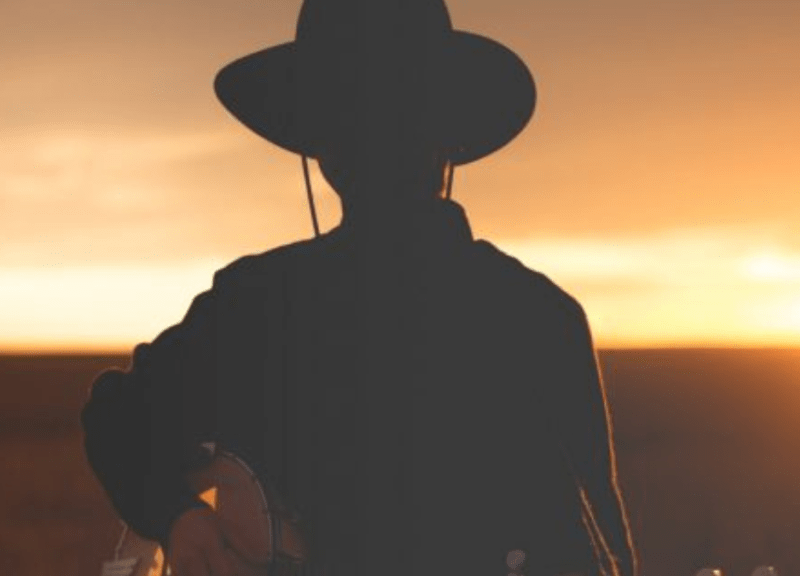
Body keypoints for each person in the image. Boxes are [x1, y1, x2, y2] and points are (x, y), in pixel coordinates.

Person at [81, 1, 638, 575]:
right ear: (447, 139)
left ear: (321, 153)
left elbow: (118, 418)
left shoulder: (259, 305)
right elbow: (602, 548)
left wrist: (179, 516)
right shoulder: (541, 314)